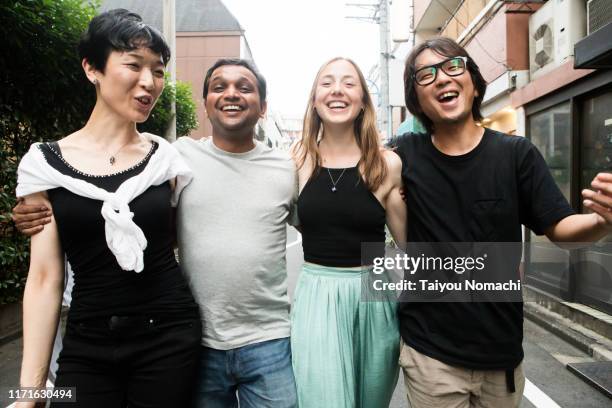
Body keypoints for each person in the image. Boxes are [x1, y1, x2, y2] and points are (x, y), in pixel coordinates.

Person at [392, 36, 612, 408]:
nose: (442, 78)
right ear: (416, 99)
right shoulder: (404, 157)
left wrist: (602, 222)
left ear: (474, 82)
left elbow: (560, 230)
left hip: (502, 356)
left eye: (452, 67)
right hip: (431, 355)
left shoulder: (515, 155)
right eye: (425, 75)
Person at [14, 9, 201, 408]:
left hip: (169, 336)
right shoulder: (43, 164)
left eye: (159, 70)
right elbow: (45, 279)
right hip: (87, 342)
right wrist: (29, 394)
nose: (149, 82)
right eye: (133, 65)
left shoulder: (165, 159)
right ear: (91, 69)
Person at [172, 58, 299, 408]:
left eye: (244, 87)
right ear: (207, 103)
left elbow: (326, 231)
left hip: (271, 340)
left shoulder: (286, 168)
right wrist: (44, 199)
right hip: (199, 340)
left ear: (263, 108)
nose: (231, 94)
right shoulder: (179, 157)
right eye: (219, 87)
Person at [290, 57, 406, 408]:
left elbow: (409, 243)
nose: (337, 89)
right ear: (314, 99)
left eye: (348, 83)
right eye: (326, 82)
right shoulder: (295, 160)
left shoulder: (387, 164)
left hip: (374, 292)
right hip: (317, 293)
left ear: (363, 102)